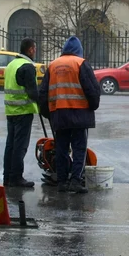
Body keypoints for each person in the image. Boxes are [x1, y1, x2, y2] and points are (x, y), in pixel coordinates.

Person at [39, 36, 101, 194]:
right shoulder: (80, 63)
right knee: (79, 148)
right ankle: (75, 181)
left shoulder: (53, 65)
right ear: (79, 51)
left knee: (61, 148)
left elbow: (43, 93)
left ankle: (61, 182)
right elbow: (92, 90)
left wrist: (48, 113)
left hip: (59, 114)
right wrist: (93, 106)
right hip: (80, 113)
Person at [3, 38, 39, 188]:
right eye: (34, 49)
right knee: (20, 146)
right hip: (23, 111)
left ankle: (8, 177)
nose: (35, 52)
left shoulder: (11, 65)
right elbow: (32, 92)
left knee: (10, 145)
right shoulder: (27, 67)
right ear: (30, 49)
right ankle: (17, 177)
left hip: (10, 111)